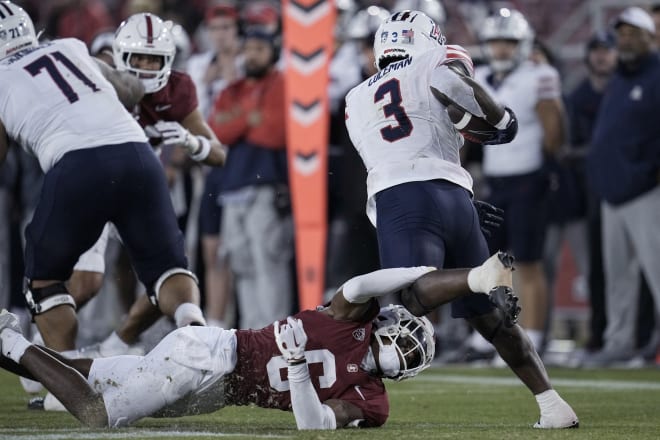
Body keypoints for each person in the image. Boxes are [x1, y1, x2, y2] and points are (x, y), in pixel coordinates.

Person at [0, 251, 573, 429]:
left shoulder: (373, 402)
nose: (408, 351)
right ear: (390, 324)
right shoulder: (351, 318)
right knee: (98, 415)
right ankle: (9, 339)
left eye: (413, 352)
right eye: (410, 339)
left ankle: (16, 352)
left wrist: (299, 370)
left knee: (88, 371)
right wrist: (426, 272)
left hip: (217, 387)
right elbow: (361, 284)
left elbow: (313, 426)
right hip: (211, 358)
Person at [344, 10, 577, 429]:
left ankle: (477, 278)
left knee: (410, 299)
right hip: (454, 192)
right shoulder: (436, 59)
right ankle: (553, 405)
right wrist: (501, 122)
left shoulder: (355, 97)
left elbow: (389, 154)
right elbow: (456, 87)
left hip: (400, 196)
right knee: (491, 320)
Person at [0, 3, 223, 358]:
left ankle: (69, 379)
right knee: (168, 268)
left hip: (77, 164)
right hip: (138, 154)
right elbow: (129, 89)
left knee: (44, 280)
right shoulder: (70, 47)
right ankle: (195, 332)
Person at [584, 6, 660, 366]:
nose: (626, 39)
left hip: (646, 191)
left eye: (633, 33)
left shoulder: (657, 74)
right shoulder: (621, 78)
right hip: (613, 193)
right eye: (622, 33)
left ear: (650, 36)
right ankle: (619, 342)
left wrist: (649, 172)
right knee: (618, 278)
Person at [207, 29, 293, 330]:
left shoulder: (282, 82)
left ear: (273, 52)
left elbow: (274, 133)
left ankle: (275, 335)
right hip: (233, 188)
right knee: (242, 266)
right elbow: (217, 131)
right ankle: (254, 336)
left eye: (259, 48)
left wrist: (238, 119)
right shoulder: (233, 89)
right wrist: (249, 115)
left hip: (267, 185)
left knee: (269, 263)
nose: (253, 54)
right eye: (249, 49)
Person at [564, 31, 617, 353]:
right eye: (596, 51)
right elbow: (569, 148)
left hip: (629, 186)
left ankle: (637, 335)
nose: (601, 57)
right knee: (598, 268)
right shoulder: (578, 96)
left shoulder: (626, 88)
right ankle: (601, 333)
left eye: (606, 51)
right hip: (591, 192)